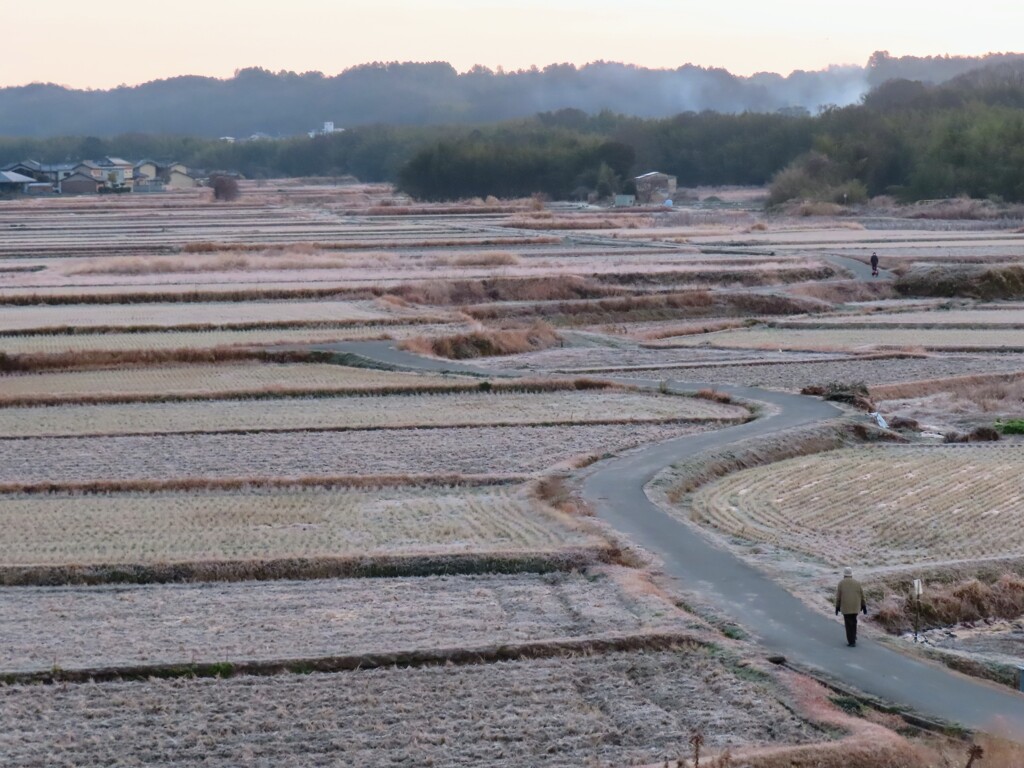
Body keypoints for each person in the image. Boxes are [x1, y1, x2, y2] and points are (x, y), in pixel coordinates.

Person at [836, 567, 867, 646]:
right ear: (851, 574)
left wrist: (837, 607)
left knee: (848, 624)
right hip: (855, 607)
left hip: (846, 608)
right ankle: (854, 636)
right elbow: (862, 595)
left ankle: (851, 641)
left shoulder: (841, 583)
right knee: (854, 621)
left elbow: (838, 597)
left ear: (844, 575)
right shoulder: (857, 583)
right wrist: (863, 606)